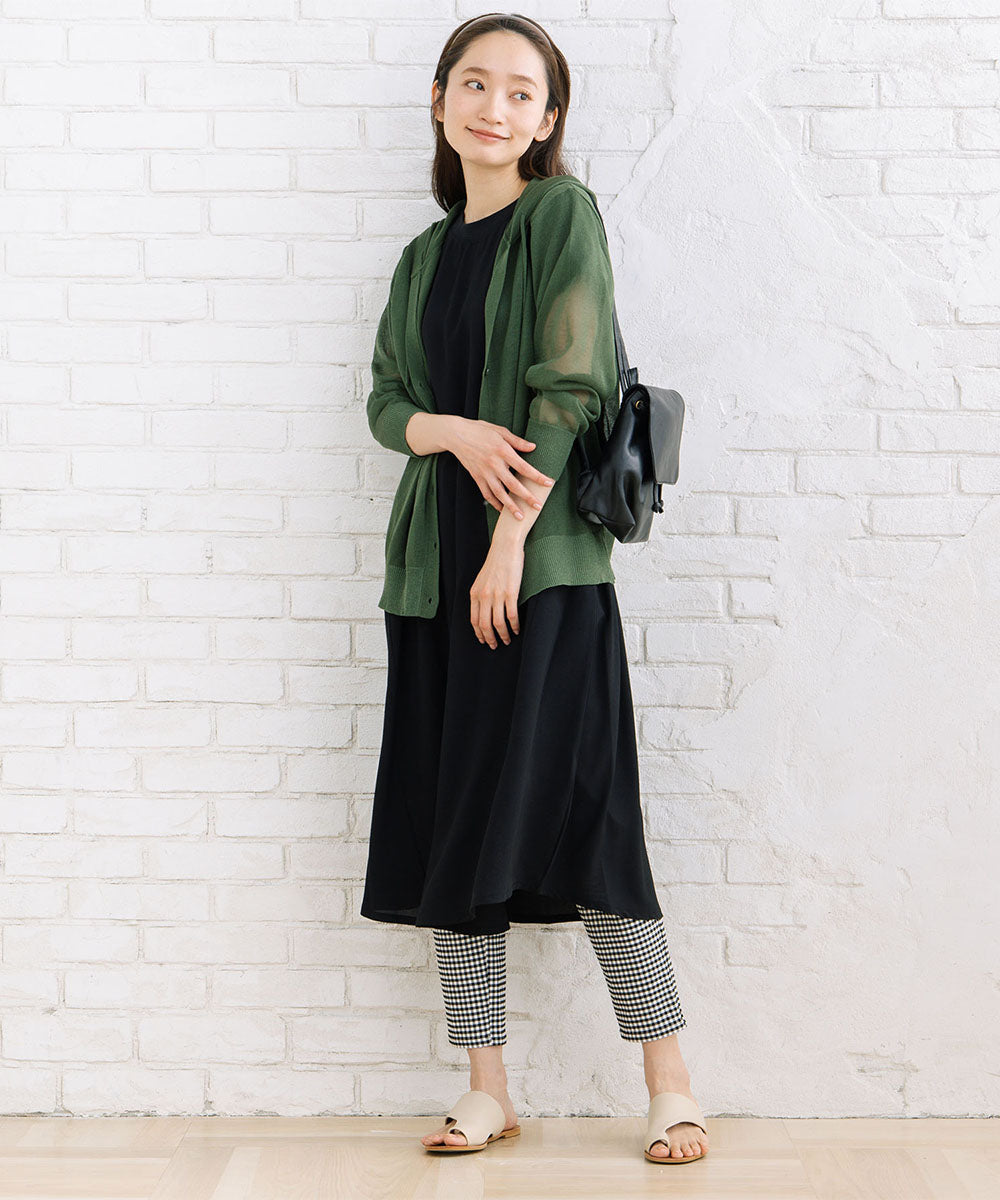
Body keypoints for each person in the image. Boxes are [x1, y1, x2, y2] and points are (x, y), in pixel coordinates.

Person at [360, 12, 709, 1165]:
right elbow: (386, 405)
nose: (494, 107)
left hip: (540, 570)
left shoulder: (560, 215)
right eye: (475, 84)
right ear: (439, 100)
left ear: (548, 118)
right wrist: (454, 430)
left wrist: (509, 541)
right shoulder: (422, 257)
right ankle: (487, 1087)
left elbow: (571, 383)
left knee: (592, 817)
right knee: (454, 824)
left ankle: (669, 1083)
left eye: (520, 92)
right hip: (437, 580)